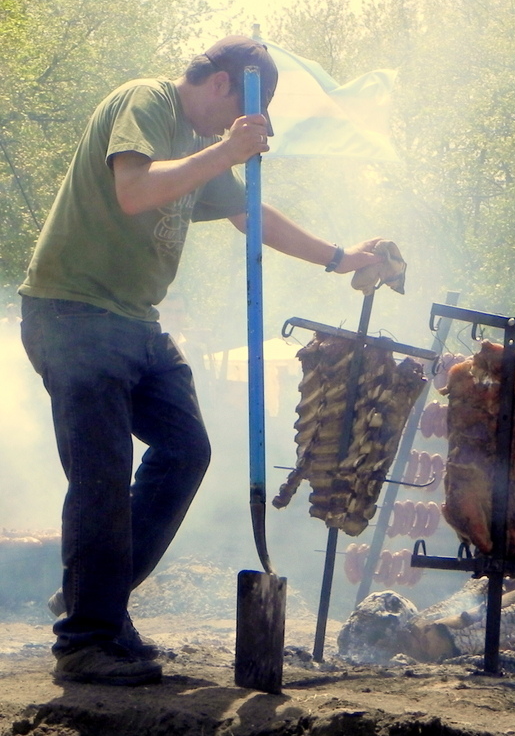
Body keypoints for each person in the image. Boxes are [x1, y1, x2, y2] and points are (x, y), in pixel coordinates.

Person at [17, 36, 386, 686]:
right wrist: (226, 148)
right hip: (72, 313)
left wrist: (338, 256)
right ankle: (85, 640)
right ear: (224, 85)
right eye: (246, 108)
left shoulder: (200, 145)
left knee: (186, 449)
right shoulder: (148, 103)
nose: (238, 126)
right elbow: (133, 191)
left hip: (134, 322)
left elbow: (252, 215)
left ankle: (95, 597)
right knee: (102, 476)